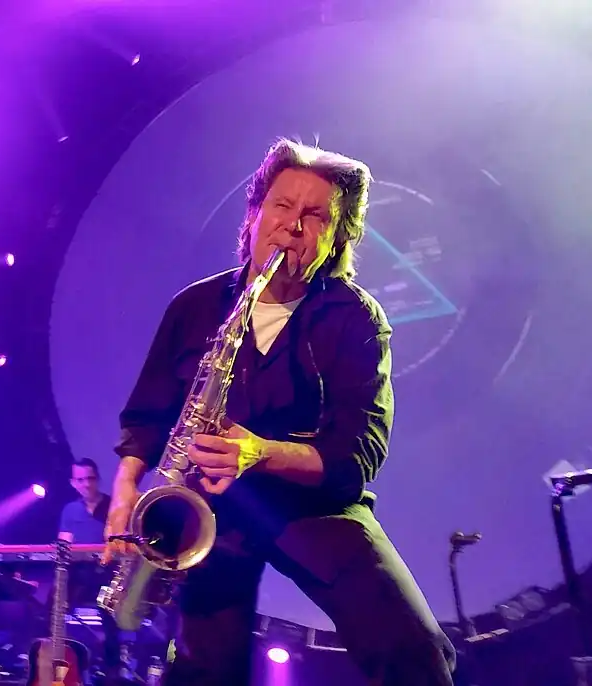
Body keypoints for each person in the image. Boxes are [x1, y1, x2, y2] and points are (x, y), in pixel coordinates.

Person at [103, 139, 456, 686]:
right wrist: (127, 488)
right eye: (281, 206)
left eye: (315, 216)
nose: (292, 226)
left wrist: (260, 453)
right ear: (254, 215)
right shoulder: (195, 306)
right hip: (210, 509)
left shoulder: (356, 318)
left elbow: (356, 457)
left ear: (339, 238)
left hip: (313, 507)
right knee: (203, 674)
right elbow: (148, 414)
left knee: (413, 650)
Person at [57, 459, 123, 684]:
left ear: (98, 479)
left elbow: (122, 543)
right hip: (79, 574)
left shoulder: (114, 506)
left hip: (108, 573)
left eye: (90, 478)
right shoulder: (70, 510)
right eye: (80, 479)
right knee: (52, 604)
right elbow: (63, 544)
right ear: (73, 483)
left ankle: (112, 671)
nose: (86, 484)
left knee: (110, 614)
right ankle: (55, 662)